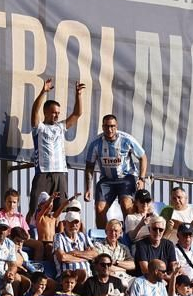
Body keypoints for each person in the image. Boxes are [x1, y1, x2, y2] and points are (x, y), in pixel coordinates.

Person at [82, 112, 147, 230]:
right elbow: (89, 167)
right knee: (99, 209)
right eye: (107, 126)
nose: (110, 129)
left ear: (116, 127)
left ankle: (129, 235)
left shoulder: (127, 139)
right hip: (107, 180)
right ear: (102, 127)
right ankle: (103, 238)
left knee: (126, 204)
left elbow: (143, 157)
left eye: (112, 126)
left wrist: (141, 179)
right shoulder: (95, 143)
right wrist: (88, 188)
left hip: (126, 178)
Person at [29, 78, 84, 211]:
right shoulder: (39, 127)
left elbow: (77, 114)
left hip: (60, 172)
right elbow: (34, 111)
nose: (56, 115)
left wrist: (78, 95)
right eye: (54, 112)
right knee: (37, 208)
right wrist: (43, 92)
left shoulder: (61, 127)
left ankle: (56, 232)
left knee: (59, 210)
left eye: (58, 113)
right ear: (46, 112)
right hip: (43, 172)